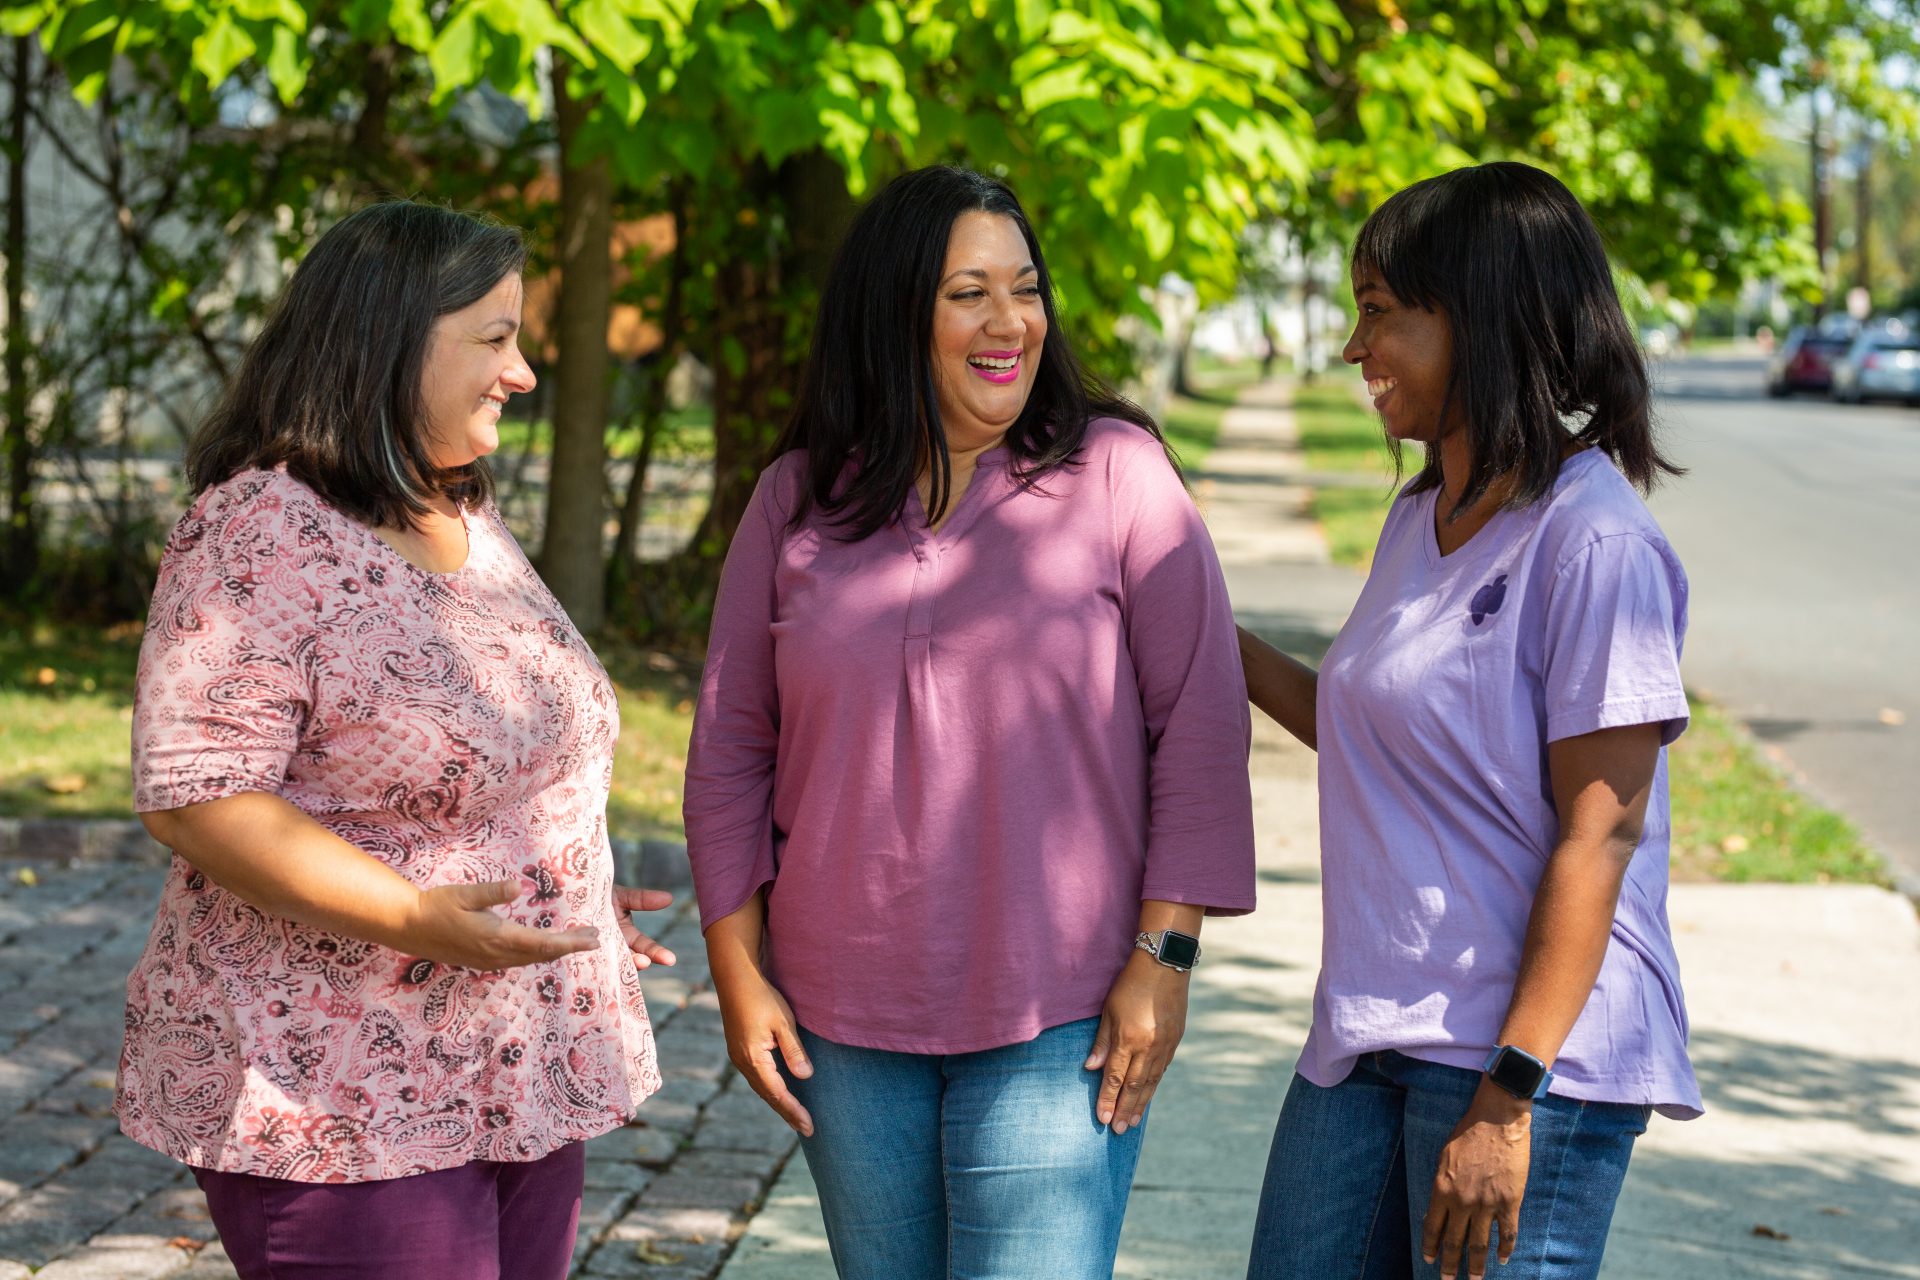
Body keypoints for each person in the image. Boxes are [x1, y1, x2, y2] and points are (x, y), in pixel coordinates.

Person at [683, 165, 1257, 1279]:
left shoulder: (1119, 476)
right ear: (897, 313)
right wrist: (739, 973)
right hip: (840, 1021)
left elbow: (1198, 723)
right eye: (968, 294)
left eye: (1025, 288)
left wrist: (1165, 957)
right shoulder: (795, 502)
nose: (1010, 323)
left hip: (1062, 1013)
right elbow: (729, 755)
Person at [120, 200, 673, 1280]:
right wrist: (418, 914)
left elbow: (490, 748)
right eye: (496, 337)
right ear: (390, 340)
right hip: (336, 1088)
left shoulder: (459, 510)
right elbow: (196, 796)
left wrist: (569, 884)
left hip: (511, 1058)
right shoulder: (258, 530)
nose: (521, 372)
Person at [1240, 162, 1702, 1280]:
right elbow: (1371, 728)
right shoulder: (1419, 516)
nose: (1356, 349)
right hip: (1370, 1032)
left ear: (1481, 320)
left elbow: (1602, 830)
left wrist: (1509, 1096)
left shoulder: (1595, 543)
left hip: (1522, 1061)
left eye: (1381, 313)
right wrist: (1196, 629)